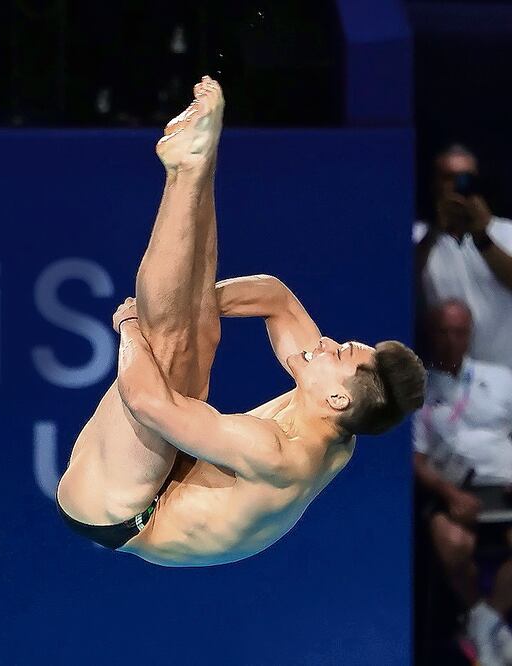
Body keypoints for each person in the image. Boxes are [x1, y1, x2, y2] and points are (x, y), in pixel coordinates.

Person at [55, 76, 426, 567]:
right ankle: (199, 162)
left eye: (339, 352)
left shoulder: (276, 453)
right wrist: (189, 301)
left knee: (169, 347)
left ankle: (183, 172)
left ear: (338, 396)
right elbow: (275, 298)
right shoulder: (340, 418)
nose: (330, 342)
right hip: (174, 469)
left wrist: (130, 326)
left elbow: (144, 399)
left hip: (122, 511)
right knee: (195, 330)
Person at [414, 299, 512, 666]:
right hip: (451, 491)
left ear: (470, 334)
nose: (451, 339)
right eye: (443, 331)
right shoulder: (419, 386)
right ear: (430, 334)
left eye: (458, 331)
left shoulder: (501, 378)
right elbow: (417, 460)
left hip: (502, 487)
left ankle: (484, 623)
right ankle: (487, 624)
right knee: (453, 542)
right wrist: (449, 494)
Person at [414, 145, 512, 368]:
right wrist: (437, 230)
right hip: (442, 378)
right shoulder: (419, 237)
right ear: (434, 184)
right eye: (448, 178)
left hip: (503, 374)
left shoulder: (507, 232)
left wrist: (481, 236)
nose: (457, 186)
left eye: (466, 178)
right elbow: (403, 284)